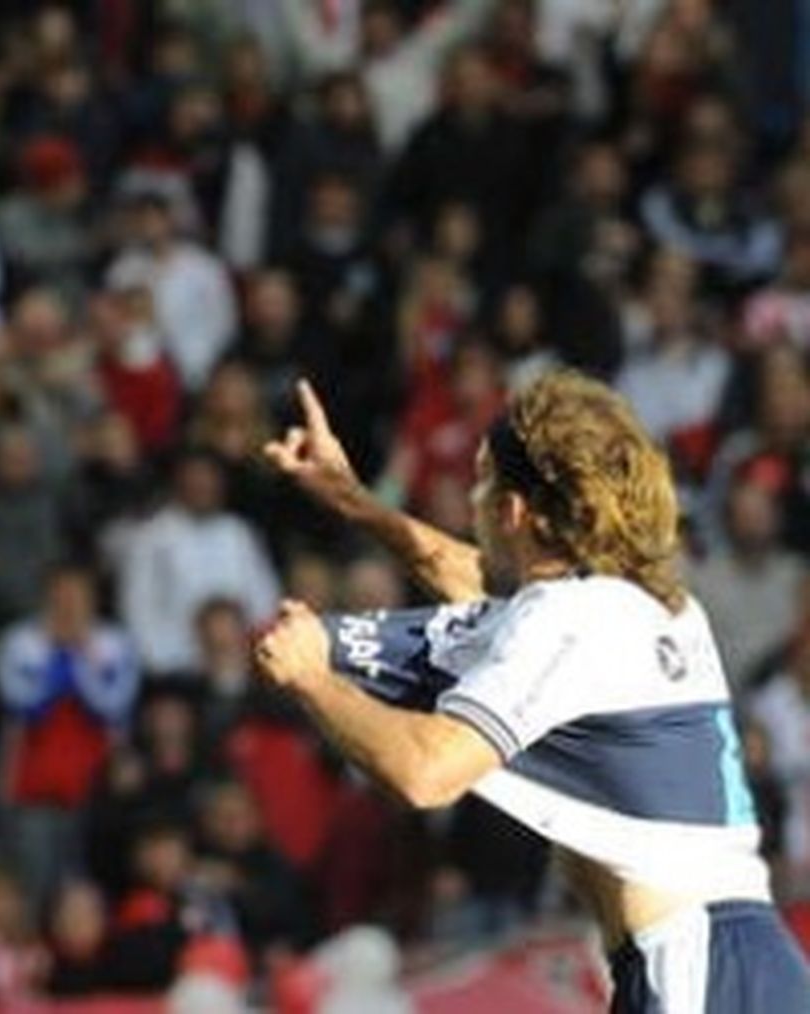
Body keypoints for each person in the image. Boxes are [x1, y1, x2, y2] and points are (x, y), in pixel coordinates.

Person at [252, 375, 810, 1011]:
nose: (473, 497)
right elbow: (469, 579)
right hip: (743, 953)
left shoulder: (567, 624)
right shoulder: (649, 603)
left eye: (484, 482)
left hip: (694, 967)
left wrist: (311, 677)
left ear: (515, 511)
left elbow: (424, 773)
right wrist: (353, 501)